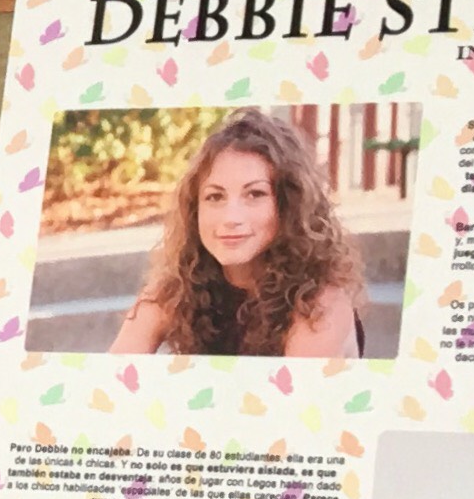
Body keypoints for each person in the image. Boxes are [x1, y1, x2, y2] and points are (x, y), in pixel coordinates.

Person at [106, 108, 365, 359]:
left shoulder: (320, 304)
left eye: (255, 194)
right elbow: (110, 377)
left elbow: (292, 390)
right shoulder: (176, 290)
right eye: (215, 196)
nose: (231, 218)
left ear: (289, 205)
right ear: (195, 210)